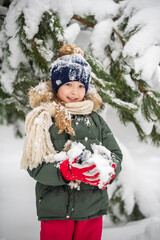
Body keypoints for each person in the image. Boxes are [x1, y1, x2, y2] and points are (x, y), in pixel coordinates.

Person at [21, 44, 123, 240]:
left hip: (92, 208)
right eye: (68, 84)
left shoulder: (95, 119)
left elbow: (115, 154)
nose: (75, 92)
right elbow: (34, 165)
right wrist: (65, 171)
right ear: (57, 84)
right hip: (56, 210)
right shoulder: (44, 120)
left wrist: (108, 170)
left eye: (81, 86)